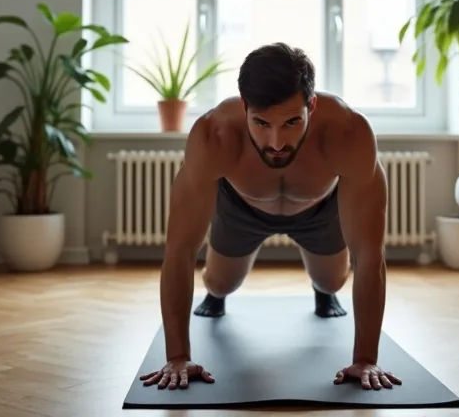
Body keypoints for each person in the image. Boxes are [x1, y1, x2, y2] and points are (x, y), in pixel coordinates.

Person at [139, 42, 401, 392]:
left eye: (292, 122)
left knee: (332, 282)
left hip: (320, 209)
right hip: (240, 208)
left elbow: (369, 254)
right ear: (244, 106)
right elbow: (180, 249)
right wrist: (177, 356)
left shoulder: (348, 133)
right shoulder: (214, 135)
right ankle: (216, 296)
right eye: (261, 123)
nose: (276, 141)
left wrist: (366, 358)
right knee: (218, 282)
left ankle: (322, 293)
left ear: (312, 105)